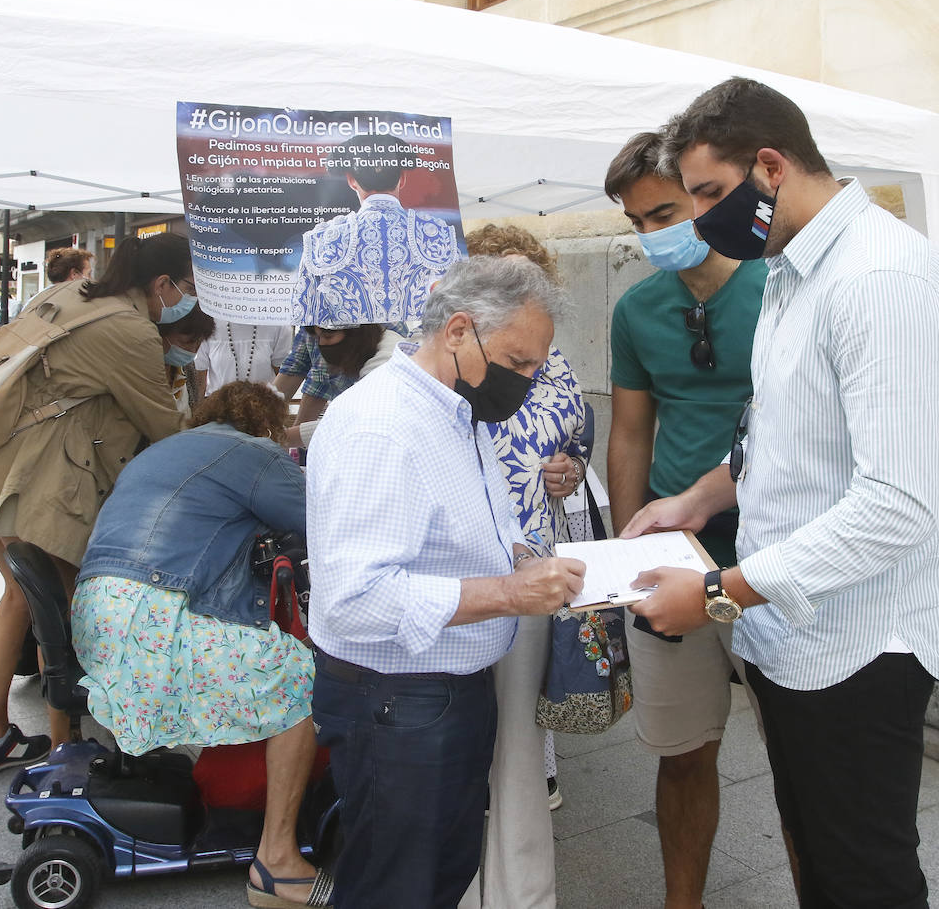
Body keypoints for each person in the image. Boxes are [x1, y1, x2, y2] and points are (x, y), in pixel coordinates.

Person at [624, 77, 939, 909]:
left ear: (773, 166)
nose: (704, 216)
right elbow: (782, 438)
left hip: (862, 640)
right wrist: (703, 498)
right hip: (799, 630)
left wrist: (717, 593)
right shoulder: (793, 269)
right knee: (820, 853)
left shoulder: (880, 281)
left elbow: (898, 502)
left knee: (862, 872)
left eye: (710, 193)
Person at [306, 256, 586, 909]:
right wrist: (513, 594)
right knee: (398, 885)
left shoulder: (455, 409)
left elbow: (465, 527)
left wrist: (518, 557)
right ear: (459, 330)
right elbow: (355, 600)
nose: (528, 380)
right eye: (519, 363)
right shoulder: (383, 425)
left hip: (439, 695)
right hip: (398, 702)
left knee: (436, 875)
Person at [0, 232, 189, 777]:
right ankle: (58, 744)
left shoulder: (70, 294)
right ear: (161, 284)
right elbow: (165, 425)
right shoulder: (130, 328)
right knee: (46, 602)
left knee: (24, 596)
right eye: (184, 289)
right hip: (31, 477)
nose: (185, 300)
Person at [71, 380, 331, 908]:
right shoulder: (254, 451)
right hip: (150, 615)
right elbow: (322, 523)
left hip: (99, 613)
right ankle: (277, 861)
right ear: (265, 425)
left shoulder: (165, 450)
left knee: (254, 662)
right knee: (299, 676)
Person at [601, 131, 768, 907]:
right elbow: (631, 432)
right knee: (681, 752)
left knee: (806, 768)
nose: (652, 233)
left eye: (663, 210)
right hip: (672, 561)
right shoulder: (637, 309)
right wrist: (621, 551)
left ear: (705, 197)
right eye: (636, 221)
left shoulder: (778, 287)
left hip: (775, 559)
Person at [461, 225, 587, 909]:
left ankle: (517, 892)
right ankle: (462, 880)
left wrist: (570, 470)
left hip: (535, 556)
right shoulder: (457, 355)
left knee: (515, 733)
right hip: (472, 564)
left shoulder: (553, 357)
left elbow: (573, 439)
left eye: (528, 275)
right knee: (460, 741)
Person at [291, 133, 458, 328]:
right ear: (403, 178)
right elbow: (457, 311)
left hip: (350, 358)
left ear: (351, 180)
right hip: (420, 357)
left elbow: (306, 323)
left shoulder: (320, 239)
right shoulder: (440, 234)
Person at [193, 320, 292, 397]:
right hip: (219, 411)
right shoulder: (208, 323)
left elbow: (282, 375)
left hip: (263, 411)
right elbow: (200, 380)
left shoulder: (278, 325)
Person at [158, 302, 216, 411]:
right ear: (163, 335)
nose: (192, 351)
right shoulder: (145, 372)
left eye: (199, 344)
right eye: (186, 343)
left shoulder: (188, 370)